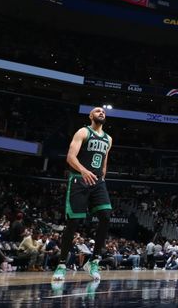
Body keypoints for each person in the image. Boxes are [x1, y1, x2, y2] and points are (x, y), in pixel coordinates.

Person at [52, 107, 113, 283]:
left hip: (98, 182)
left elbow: (104, 164)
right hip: (79, 180)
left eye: (103, 112)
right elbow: (71, 157)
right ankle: (62, 265)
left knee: (106, 216)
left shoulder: (108, 139)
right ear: (90, 115)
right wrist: (84, 171)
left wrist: (102, 178)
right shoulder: (83, 132)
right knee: (73, 222)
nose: (101, 112)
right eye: (97, 111)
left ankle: (94, 261)